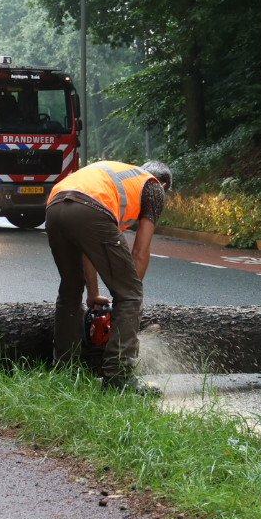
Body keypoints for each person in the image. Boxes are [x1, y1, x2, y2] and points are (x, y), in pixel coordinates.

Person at [44, 159, 172, 389]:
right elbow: (140, 252)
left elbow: (87, 248)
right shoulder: (153, 187)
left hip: (54, 206)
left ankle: (64, 370)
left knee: (70, 289)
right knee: (131, 293)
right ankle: (119, 377)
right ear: (162, 185)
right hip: (89, 209)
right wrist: (124, 299)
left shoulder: (116, 176)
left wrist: (93, 294)